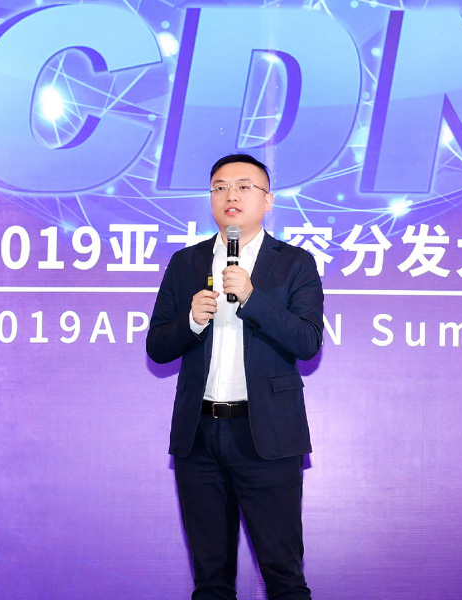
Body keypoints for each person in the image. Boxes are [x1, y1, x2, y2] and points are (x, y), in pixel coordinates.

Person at [146, 153, 323, 600]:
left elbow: (307, 341)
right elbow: (157, 347)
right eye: (221, 187)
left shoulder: (294, 263)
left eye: (244, 186)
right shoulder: (185, 263)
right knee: (210, 581)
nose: (231, 195)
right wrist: (190, 321)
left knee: (284, 577)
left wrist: (252, 297)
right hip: (199, 438)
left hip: (266, 436)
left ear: (267, 200)